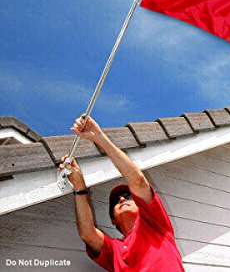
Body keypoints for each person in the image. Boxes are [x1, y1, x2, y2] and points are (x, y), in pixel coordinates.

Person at [59, 114, 185, 271]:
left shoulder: (156, 224)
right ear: (113, 220)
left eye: (127, 196)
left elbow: (138, 181)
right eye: (115, 202)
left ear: (141, 208)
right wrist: (79, 186)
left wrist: (99, 137)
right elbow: (88, 234)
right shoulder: (114, 250)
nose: (121, 199)